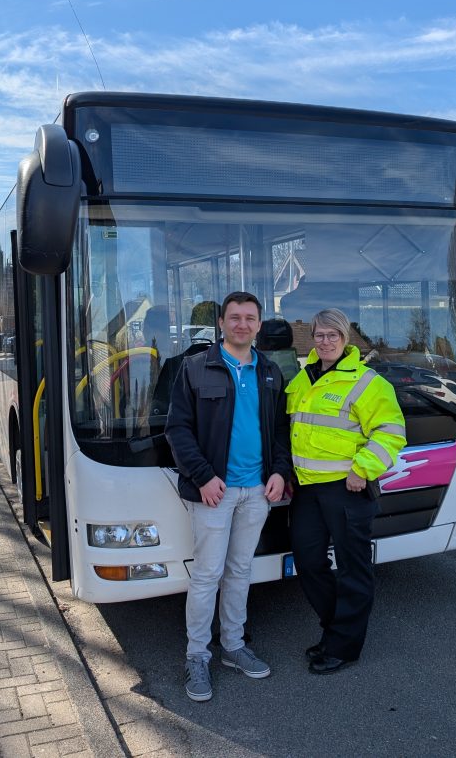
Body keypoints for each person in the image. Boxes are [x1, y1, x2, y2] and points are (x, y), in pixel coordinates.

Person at [165, 291, 293, 702]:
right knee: (206, 575)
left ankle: (233, 647)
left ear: (258, 325)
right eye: (234, 317)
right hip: (213, 493)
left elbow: (279, 433)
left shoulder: (271, 372)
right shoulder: (194, 368)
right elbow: (177, 430)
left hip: (257, 491)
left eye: (250, 318)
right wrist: (203, 477)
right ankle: (197, 655)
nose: (242, 324)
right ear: (220, 323)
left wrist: (278, 472)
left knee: (240, 572)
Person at [286, 308, 406, 675]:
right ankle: (334, 631)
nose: (325, 342)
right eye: (319, 335)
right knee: (308, 563)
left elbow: (391, 432)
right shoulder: (302, 380)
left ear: (346, 338)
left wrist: (362, 469)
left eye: (332, 335)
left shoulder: (368, 383)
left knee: (354, 569)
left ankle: (344, 647)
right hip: (307, 490)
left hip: (347, 489)